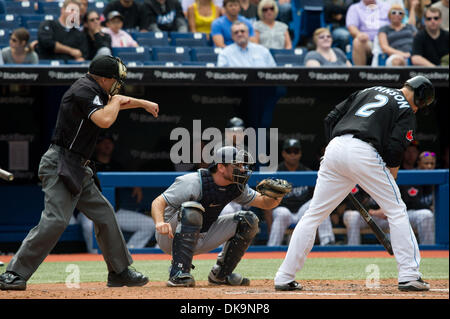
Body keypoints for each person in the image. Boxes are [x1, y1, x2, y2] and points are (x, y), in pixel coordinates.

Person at [0, 55, 159, 291]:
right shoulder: (84, 89)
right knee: (56, 220)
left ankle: (119, 272)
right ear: (104, 79)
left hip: (78, 166)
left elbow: (119, 99)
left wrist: (143, 103)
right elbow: (105, 118)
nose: (118, 84)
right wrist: (115, 102)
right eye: (115, 79)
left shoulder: (97, 89)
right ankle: (13, 273)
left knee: (105, 215)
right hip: (60, 162)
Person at [274, 75, 435, 292]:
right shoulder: (405, 108)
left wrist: (336, 155)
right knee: (396, 210)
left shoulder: (369, 90)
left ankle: (284, 277)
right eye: (421, 105)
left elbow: (330, 118)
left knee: (313, 215)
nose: (417, 109)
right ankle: (409, 275)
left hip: (335, 147)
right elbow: (396, 147)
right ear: (420, 95)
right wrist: (391, 175)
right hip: (364, 151)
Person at [151, 146, 289, 287]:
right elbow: (158, 202)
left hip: (203, 235)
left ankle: (220, 275)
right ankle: (178, 274)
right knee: (192, 210)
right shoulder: (193, 182)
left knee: (248, 220)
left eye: (242, 165)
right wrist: (160, 223)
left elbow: (265, 203)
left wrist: (277, 196)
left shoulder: (237, 186)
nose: (242, 169)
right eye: (237, 165)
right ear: (221, 167)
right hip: (170, 236)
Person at [75, 133, 156, 253]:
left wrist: (135, 185)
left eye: (110, 142)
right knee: (89, 226)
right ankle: (95, 258)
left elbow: (129, 179)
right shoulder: (89, 164)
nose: (107, 144)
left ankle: (126, 255)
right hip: (89, 212)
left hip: (114, 212)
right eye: (103, 142)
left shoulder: (117, 165)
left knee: (149, 224)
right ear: (97, 145)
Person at [266, 138, 335, 246]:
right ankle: (272, 246)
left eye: (296, 151)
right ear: (283, 154)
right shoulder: (276, 172)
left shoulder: (306, 171)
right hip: (285, 213)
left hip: (302, 213)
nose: (292, 154)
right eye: (289, 151)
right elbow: (267, 205)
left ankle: (327, 242)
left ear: (300, 154)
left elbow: (315, 198)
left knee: (321, 203)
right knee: (281, 213)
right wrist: (269, 228)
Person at [398, 151, 436, 244]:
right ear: (419, 163)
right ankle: (429, 250)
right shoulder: (412, 176)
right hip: (409, 212)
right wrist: (430, 208)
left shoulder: (438, 177)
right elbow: (411, 203)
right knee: (426, 215)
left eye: (432, 163)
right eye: (426, 163)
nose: (429, 166)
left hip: (431, 213)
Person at [346, 0, 390, 65]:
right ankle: (360, 73)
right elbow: (351, 27)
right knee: (357, 42)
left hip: (388, 40)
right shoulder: (354, 8)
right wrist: (359, 34)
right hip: (369, 41)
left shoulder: (386, 6)